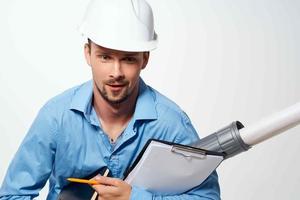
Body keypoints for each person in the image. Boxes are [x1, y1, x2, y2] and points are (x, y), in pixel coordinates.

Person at [0, 0, 221, 199]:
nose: (116, 72)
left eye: (128, 59)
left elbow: (208, 198)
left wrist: (135, 199)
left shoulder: (172, 123)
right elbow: (12, 195)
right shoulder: (56, 116)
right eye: (105, 56)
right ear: (88, 53)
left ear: (145, 59)